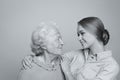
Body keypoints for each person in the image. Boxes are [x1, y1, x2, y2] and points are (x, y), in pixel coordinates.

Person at [22, 17, 119, 80]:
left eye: (82, 33)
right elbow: (52, 57)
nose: (79, 38)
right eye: (78, 34)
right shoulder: (76, 54)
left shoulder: (111, 67)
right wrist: (33, 57)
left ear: (94, 32)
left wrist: (67, 72)